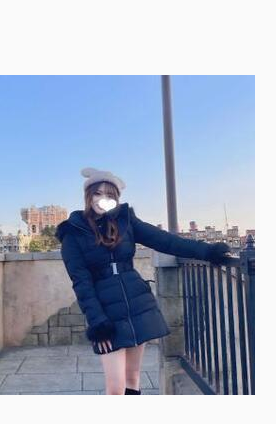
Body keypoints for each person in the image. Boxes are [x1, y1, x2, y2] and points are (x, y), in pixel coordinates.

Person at [54, 167, 232, 395]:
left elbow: (165, 241)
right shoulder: (73, 232)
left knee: (132, 378)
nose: (102, 199)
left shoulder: (125, 221)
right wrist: (97, 321)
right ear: (88, 195)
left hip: (138, 304)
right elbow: (81, 281)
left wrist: (208, 252)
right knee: (115, 388)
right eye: (97, 193)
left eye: (109, 195)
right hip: (106, 313)